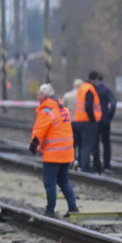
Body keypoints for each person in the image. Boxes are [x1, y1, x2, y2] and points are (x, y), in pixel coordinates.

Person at [29, 83, 79, 217]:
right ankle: (73, 207)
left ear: (44, 96)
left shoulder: (47, 111)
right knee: (63, 180)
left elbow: (39, 131)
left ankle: (50, 211)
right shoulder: (62, 109)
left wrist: (33, 146)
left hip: (53, 154)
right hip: (66, 153)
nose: (37, 95)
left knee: (49, 182)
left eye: (39, 93)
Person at [74, 74, 102, 175]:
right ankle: (85, 168)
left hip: (78, 120)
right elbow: (89, 106)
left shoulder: (82, 87)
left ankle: (80, 165)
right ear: (95, 79)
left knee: (81, 145)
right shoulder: (90, 89)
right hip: (87, 122)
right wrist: (92, 119)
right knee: (87, 145)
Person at [91, 71, 118, 173]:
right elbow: (114, 103)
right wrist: (110, 115)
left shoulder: (92, 89)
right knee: (106, 143)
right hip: (105, 119)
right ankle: (107, 165)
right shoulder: (107, 89)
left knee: (95, 143)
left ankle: (96, 166)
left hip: (94, 120)